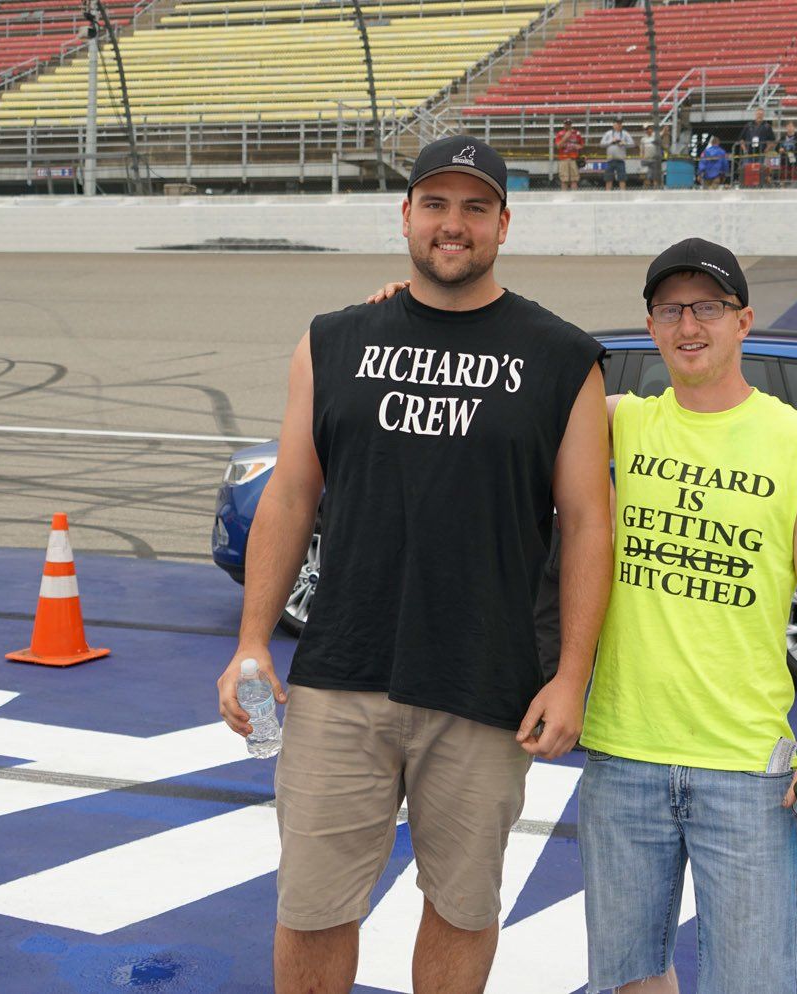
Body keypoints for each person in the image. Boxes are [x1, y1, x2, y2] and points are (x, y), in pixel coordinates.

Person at [216, 134, 613, 994]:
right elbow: (290, 497)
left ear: (505, 224)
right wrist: (252, 640)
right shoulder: (333, 340)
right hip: (340, 678)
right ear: (405, 217)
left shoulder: (562, 357)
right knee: (314, 910)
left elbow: (588, 524)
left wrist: (571, 676)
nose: (453, 224)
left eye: (475, 207)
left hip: (484, 685)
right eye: (435, 204)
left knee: (463, 909)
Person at [579, 238, 797, 993]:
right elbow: (515, 402)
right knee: (630, 978)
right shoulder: (619, 424)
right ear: (651, 323)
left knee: (758, 982)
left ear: (743, 321)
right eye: (670, 308)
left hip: (745, 766)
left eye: (707, 306)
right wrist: (406, 309)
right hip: (622, 752)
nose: (688, 324)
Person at [734, 107, 776, 187]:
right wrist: (744, 150)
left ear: (763, 115)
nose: (759, 116)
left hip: (760, 153)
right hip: (749, 153)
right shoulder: (748, 125)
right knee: (747, 170)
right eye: (758, 114)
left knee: (759, 171)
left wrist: (767, 149)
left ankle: (759, 185)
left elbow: (772, 140)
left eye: (761, 114)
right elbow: (741, 139)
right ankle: (746, 185)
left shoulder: (767, 126)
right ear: (755, 114)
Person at [601, 118, 631, 191]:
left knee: (622, 179)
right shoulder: (608, 133)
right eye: (617, 123)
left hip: (620, 160)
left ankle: (623, 195)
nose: (619, 125)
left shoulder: (625, 133)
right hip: (610, 160)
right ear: (613, 124)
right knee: (608, 179)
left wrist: (624, 143)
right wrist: (611, 141)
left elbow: (632, 144)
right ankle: (608, 195)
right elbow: (602, 144)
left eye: (620, 123)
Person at [556, 120, 585, 190]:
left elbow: (582, 145)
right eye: (566, 124)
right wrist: (565, 137)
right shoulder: (560, 134)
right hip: (564, 159)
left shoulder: (576, 133)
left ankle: (574, 195)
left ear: (571, 125)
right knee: (564, 180)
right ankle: (563, 196)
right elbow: (558, 146)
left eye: (569, 124)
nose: (568, 126)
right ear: (564, 125)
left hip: (573, 159)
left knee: (574, 179)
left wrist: (578, 146)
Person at [777, 120, 797, 186]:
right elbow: (777, 148)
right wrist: (779, 149)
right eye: (788, 126)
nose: (789, 128)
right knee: (783, 176)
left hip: (793, 161)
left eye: (791, 126)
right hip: (784, 160)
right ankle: (782, 187)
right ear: (786, 128)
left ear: (794, 127)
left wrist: (792, 150)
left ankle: (794, 186)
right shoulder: (783, 138)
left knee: (793, 175)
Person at [640, 123, 663, 189]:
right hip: (646, 160)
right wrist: (642, 158)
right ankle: (645, 190)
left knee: (655, 177)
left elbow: (662, 133)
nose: (647, 130)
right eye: (646, 129)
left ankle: (655, 190)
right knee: (646, 177)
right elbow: (641, 150)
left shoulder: (656, 136)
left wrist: (664, 130)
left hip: (655, 160)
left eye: (648, 128)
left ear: (651, 129)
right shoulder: (643, 139)